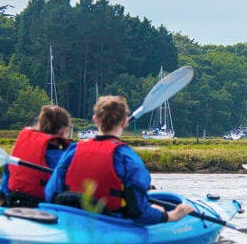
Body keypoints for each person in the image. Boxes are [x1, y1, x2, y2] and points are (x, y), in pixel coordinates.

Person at [45, 95, 194, 224]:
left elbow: (50, 193)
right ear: (124, 122)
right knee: (157, 208)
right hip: (111, 220)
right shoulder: (126, 157)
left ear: (95, 120)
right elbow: (138, 211)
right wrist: (170, 215)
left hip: (72, 218)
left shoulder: (73, 150)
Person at [0, 105, 72, 207]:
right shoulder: (62, 158)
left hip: (12, 202)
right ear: (63, 130)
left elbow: (3, 188)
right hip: (42, 208)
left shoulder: (19, 149)